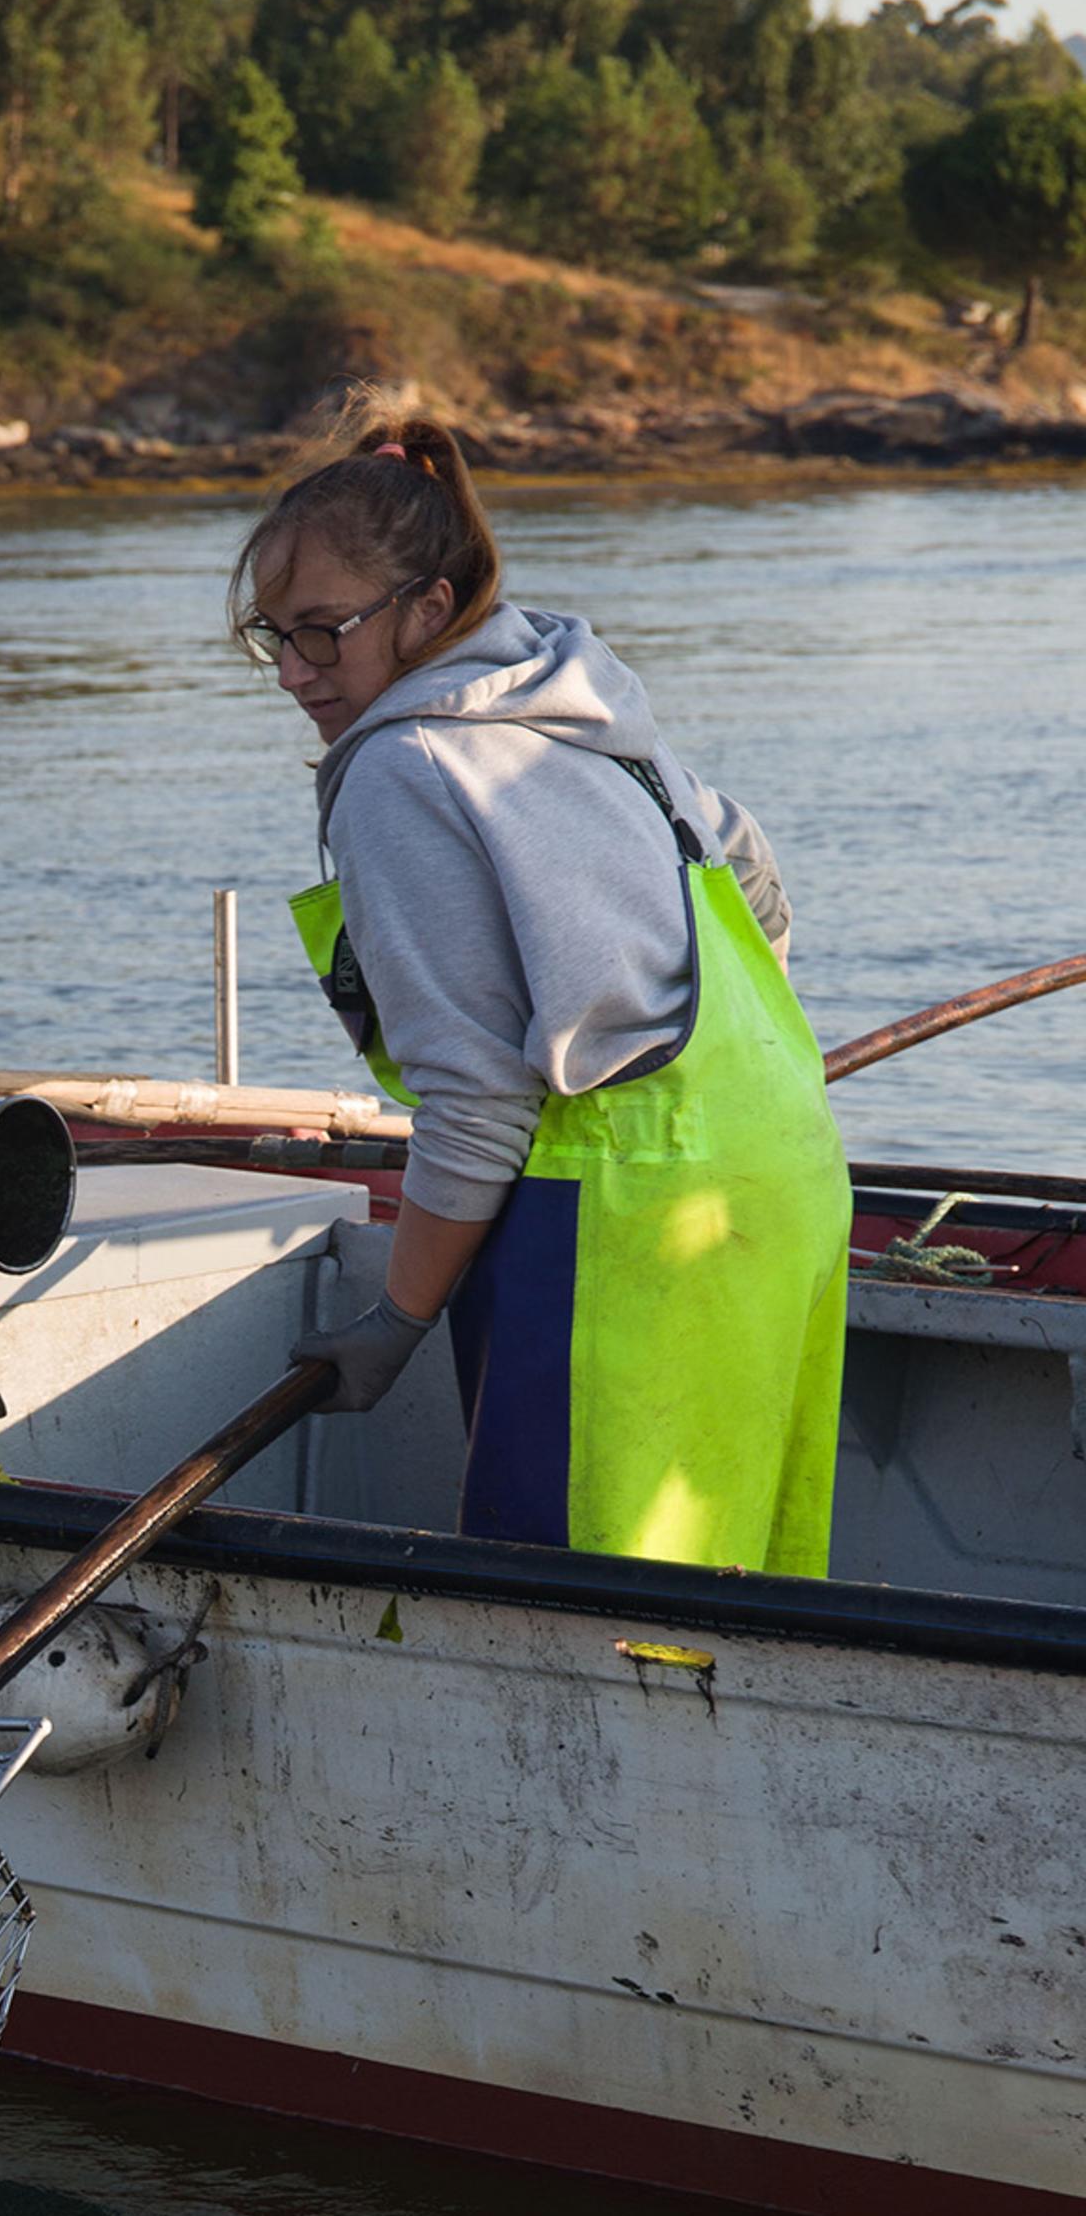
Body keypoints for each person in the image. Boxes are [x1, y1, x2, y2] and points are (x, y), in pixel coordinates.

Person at [235, 393, 850, 1575]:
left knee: (586, 1618)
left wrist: (395, 1321)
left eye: (325, 630)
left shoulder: (401, 770)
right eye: (275, 636)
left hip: (625, 1219)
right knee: (756, 1600)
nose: (294, 674)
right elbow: (748, 872)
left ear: (425, 608)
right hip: (780, 1167)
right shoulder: (579, 699)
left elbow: (476, 1102)